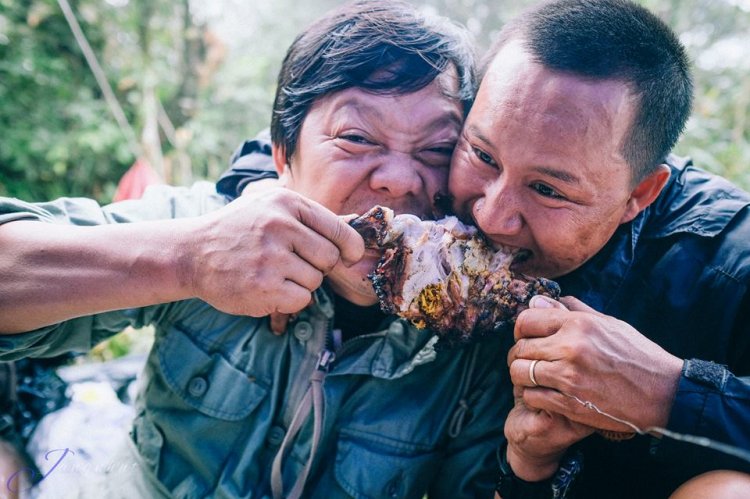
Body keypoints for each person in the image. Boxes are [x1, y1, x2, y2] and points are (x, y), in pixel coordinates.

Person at [219, 1, 750, 497]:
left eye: (548, 190)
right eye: (481, 155)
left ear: (639, 194)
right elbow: (320, 139)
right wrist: (270, 198)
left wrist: (672, 395)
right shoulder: (432, 196)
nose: (490, 216)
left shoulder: (728, 263)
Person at [0, 2, 514, 498]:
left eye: (437, 150)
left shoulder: (477, 335)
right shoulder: (208, 226)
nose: (401, 181)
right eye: (356, 137)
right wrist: (187, 261)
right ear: (282, 157)